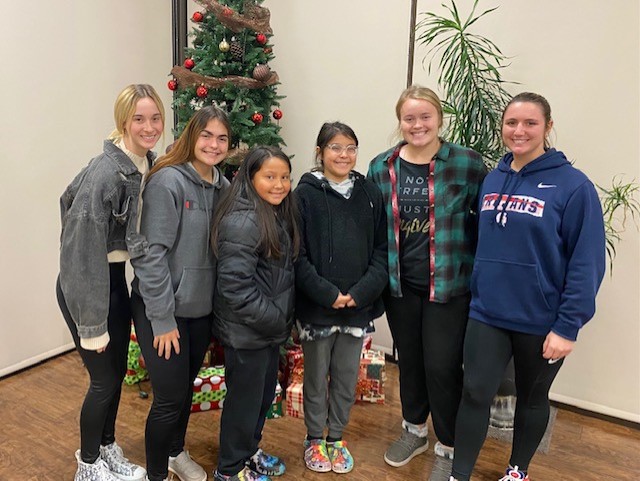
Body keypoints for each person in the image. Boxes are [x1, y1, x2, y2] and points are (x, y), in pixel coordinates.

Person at [448, 92, 606, 481]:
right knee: (474, 393)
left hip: (541, 320)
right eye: (511, 123)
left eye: (530, 123)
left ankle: (517, 471)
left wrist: (568, 326)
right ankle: (459, 475)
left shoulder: (574, 187)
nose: (519, 131)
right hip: (488, 313)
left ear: (547, 127)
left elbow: (587, 263)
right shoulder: (492, 179)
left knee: (533, 399)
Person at [367, 85, 487, 467]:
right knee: (410, 362)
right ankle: (414, 430)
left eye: (425, 117)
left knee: (442, 366)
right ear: (400, 121)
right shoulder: (381, 166)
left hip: (449, 287)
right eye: (409, 118)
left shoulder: (467, 164)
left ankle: (449, 446)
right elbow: (372, 227)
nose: (417, 125)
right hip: (401, 286)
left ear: (439, 118)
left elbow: (485, 224)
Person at [57, 84, 165, 481]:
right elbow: (80, 248)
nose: (149, 126)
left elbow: (63, 198)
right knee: (103, 380)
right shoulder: (108, 172)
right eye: (139, 118)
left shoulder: (146, 164)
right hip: (89, 283)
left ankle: (106, 449)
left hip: (114, 281)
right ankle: (87, 466)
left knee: (115, 374)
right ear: (123, 121)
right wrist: (92, 324)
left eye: (155, 118)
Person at [130, 106, 231, 481]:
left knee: (184, 391)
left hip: (199, 310)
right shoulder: (168, 182)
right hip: (161, 309)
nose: (214, 144)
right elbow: (150, 255)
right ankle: (156, 473)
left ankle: (175, 452)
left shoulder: (223, 187)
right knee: (169, 399)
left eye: (222, 138)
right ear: (192, 136)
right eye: (206, 135)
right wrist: (162, 318)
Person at [294, 122, 388, 474]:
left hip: (356, 309)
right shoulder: (303, 195)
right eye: (335, 147)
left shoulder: (369, 193)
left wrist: (358, 294)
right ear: (320, 152)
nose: (343, 155)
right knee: (317, 377)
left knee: (347, 377)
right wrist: (327, 294)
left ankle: (336, 437)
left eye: (350, 147)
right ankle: (315, 437)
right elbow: (297, 255)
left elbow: (382, 251)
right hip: (317, 308)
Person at [211, 146, 300, 481]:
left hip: (265, 332)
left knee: (261, 398)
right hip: (248, 333)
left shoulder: (272, 212)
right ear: (250, 178)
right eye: (270, 177)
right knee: (243, 404)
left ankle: (249, 451)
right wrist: (277, 320)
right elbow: (235, 289)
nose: (279, 184)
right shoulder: (243, 220)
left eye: (285, 177)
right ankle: (229, 469)